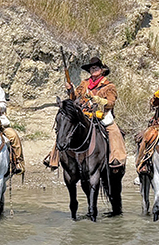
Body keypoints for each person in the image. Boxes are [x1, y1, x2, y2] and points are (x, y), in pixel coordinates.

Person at [43, 57, 126, 216]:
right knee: (64, 130)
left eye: (96, 68)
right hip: (85, 115)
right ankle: (53, 157)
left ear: (102, 69)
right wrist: (71, 90)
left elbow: (111, 102)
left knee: (114, 131)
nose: (93, 70)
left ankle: (116, 157)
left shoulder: (109, 86)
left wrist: (98, 99)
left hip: (102, 115)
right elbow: (75, 98)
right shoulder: (85, 83)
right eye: (92, 68)